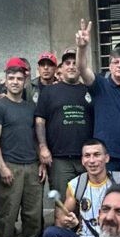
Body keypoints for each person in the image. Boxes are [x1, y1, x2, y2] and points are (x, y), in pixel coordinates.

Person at [0, 61, 45, 237]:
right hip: (10, 164)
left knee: (33, 211)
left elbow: (37, 137)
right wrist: (2, 166)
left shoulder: (31, 107)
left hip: (32, 164)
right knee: (7, 211)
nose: (15, 82)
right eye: (11, 78)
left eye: (19, 79)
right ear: (5, 80)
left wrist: (41, 163)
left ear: (25, 81)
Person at [75, 21, 120, 178]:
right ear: (109, 66)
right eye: (115, 62)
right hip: (105, 157)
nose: (119, 65)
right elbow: (82, 68)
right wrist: (82, 47)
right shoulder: (100, 85)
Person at [35, 48, 94, 195]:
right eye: (67, 63)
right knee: (62, 206)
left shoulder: (90, 90)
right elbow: (40, 121)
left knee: (86, 203)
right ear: (60, 68)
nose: (72, 66)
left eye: (75, 62)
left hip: (87, 158)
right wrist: (43, 147)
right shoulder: (49, 92)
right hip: (59, 160)